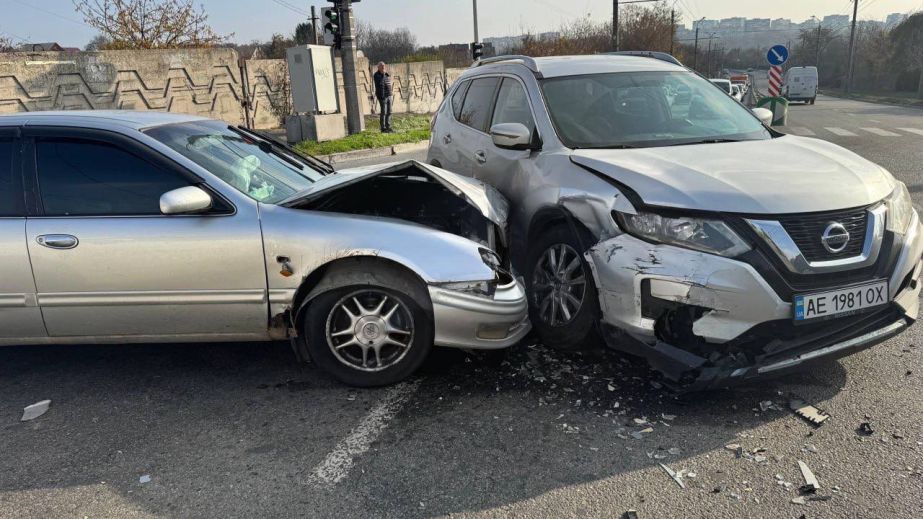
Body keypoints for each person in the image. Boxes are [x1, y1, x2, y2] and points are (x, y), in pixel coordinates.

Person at [373, 62, 394, 133]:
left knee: (389, 111)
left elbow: (388, 84)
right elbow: (380, 83)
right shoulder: (377, 75)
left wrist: (391, 94)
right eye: (381, 66)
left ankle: (388, 127)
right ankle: (383, 128)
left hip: (389, 95)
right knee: (384, 112)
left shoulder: (386, 74)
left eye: (384, 66)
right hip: (382, 96)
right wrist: (383, 74)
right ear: (378, 67)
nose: (383, 67)